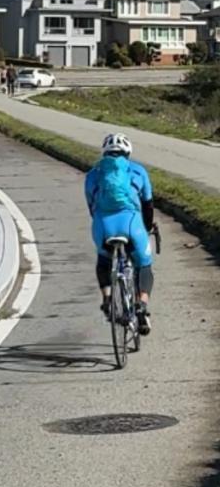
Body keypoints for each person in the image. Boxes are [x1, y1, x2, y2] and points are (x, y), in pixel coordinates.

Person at [84, 133, 155, 335]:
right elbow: (148, 205)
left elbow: (91, 206)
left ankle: (107, 298)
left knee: (103, 259)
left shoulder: (92, 175)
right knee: (144, 264)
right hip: (131, 223)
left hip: (103, 224)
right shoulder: (138, 171)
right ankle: (141, 304)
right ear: (128, 153)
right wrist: (148, 227)